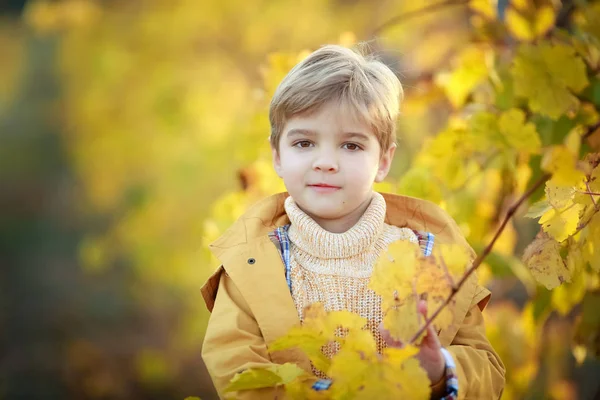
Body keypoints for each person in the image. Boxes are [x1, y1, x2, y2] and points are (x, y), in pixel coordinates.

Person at [200, 44, 505, 399]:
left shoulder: (428, 256)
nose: (325, 161)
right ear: (277, 156)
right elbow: (240, 375)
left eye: (351, 146)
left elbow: (488, 371)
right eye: (304, 143)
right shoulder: (252, 264)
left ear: (384, 161)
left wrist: (439, 371)